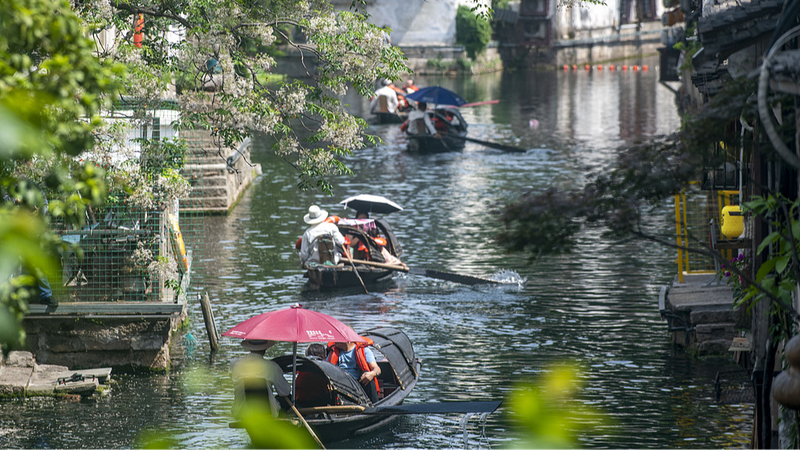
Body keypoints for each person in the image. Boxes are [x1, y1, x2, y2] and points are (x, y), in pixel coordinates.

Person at [231, 339, 291, 419]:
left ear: (249, 348)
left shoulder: (235, 364)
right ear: (265, 349)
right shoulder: (272, 367)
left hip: (240, 412)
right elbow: (285, 391)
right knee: (288, 398)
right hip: (268, 412)